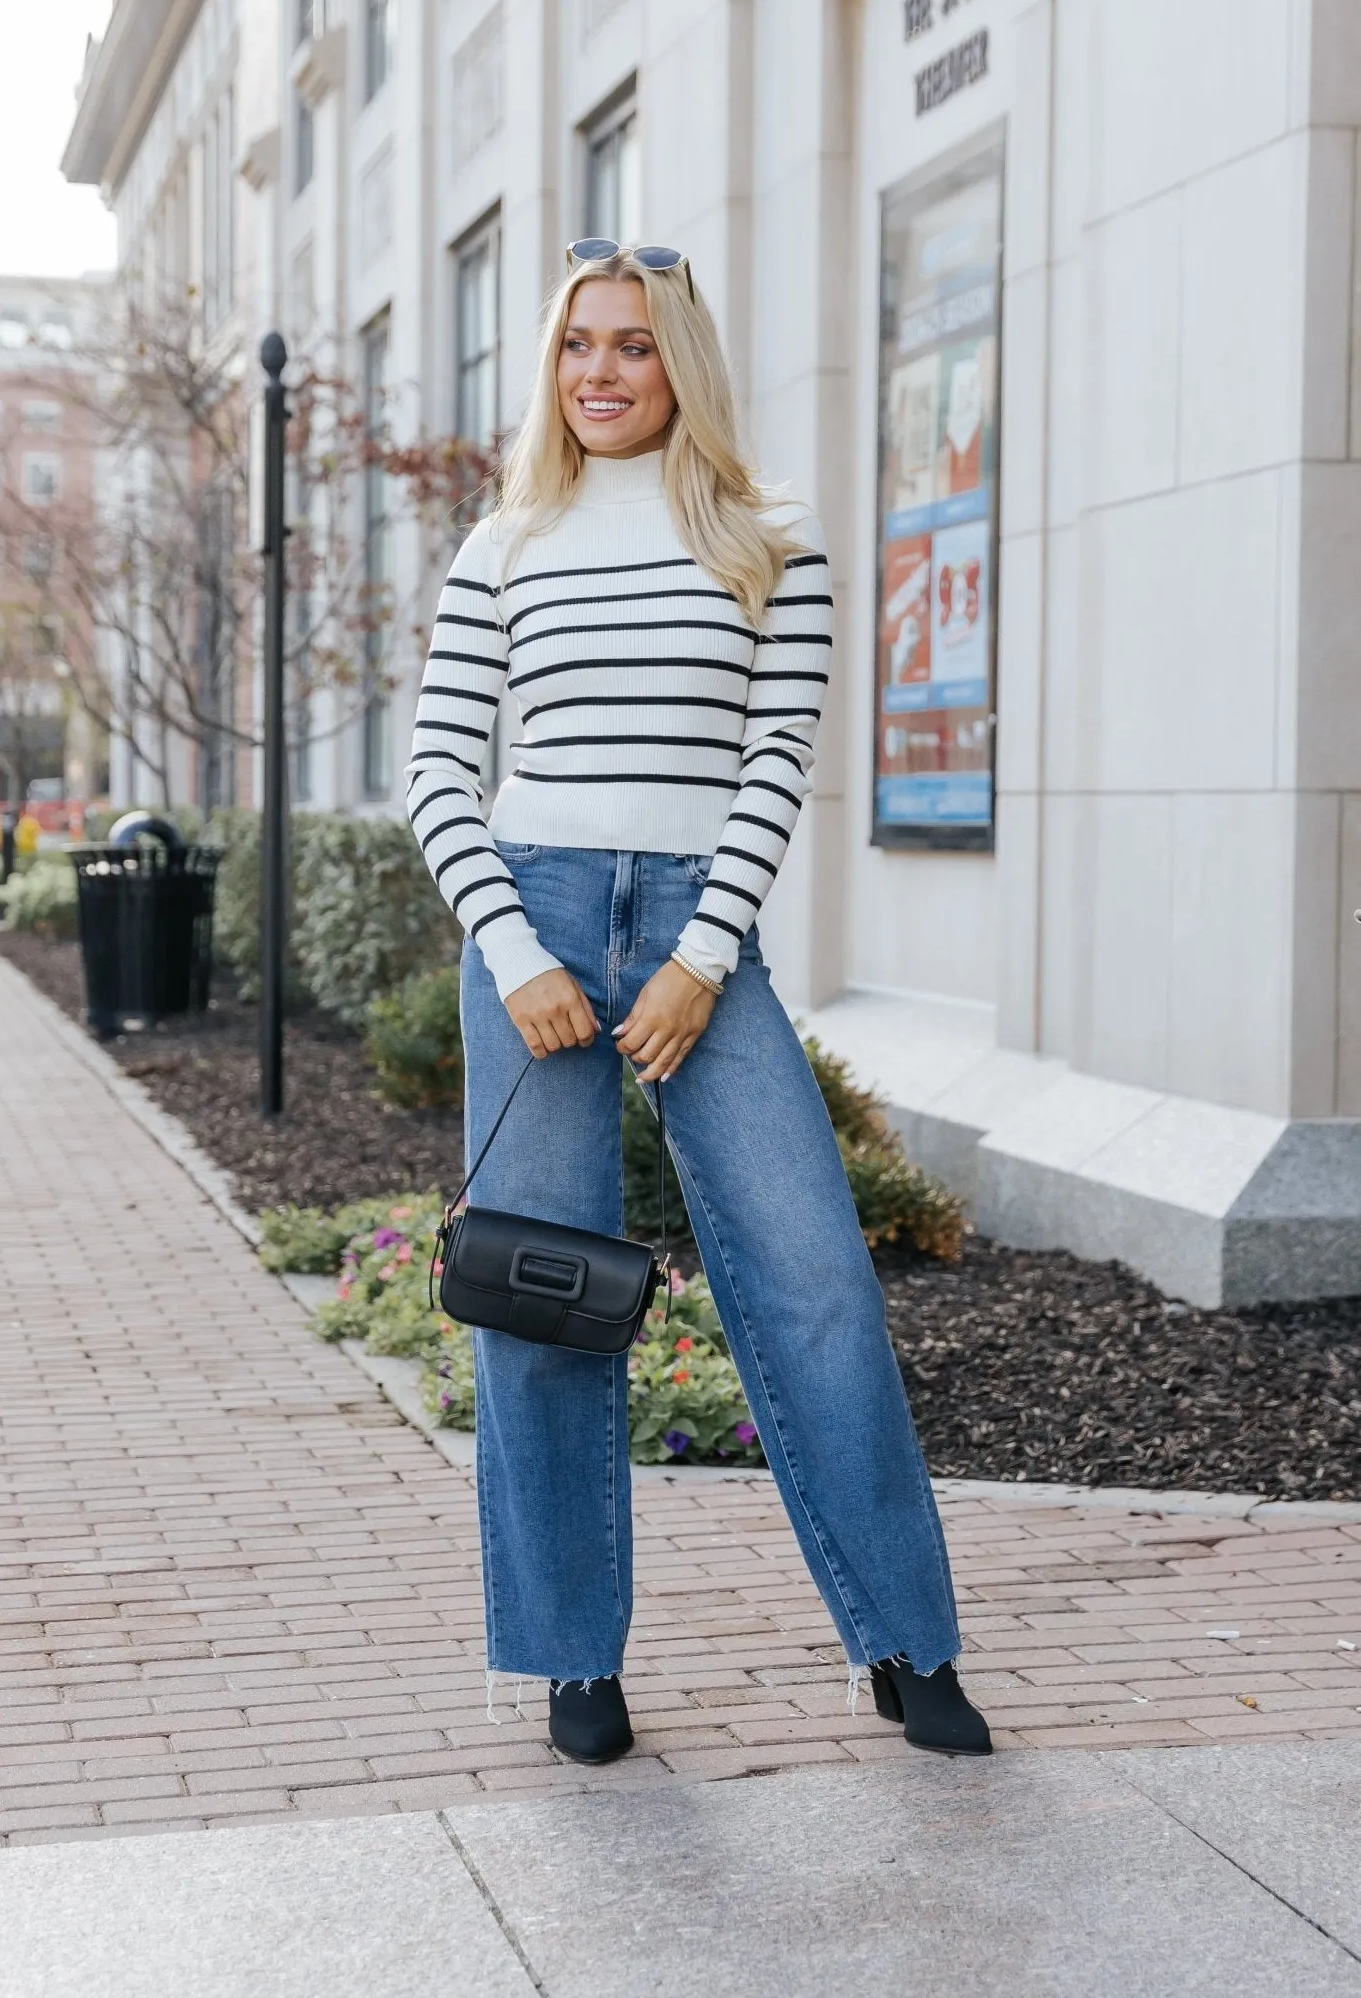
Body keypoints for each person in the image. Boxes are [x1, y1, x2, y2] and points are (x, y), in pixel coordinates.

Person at [406, 240, 990, 1766]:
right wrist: (518, 955)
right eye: (578, 346)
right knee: (540, 1301)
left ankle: (906, 1644)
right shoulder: (505, 543)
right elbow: (437, 771)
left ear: (685, 367)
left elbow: (772, 771)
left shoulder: (769, 541)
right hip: (528, 923)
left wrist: (702, 956)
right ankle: (570, 1664)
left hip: (695, 936)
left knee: (814, 1284)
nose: (599, 373)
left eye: (635, 347)